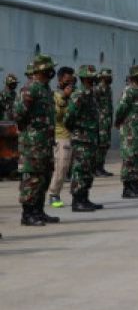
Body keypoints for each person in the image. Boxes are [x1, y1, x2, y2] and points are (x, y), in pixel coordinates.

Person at [14, 55, 58, 226]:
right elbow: (18, 114)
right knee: (32, 178)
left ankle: (39, 211)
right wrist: (30, 131)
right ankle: (28, 214)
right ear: (41, 70)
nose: (51, 72)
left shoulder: (46, 89)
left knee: (44, 177)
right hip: (33, 143)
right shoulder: (29, 89)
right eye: (48, 69)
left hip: (46, 143)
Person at [65, 65, 103, 212]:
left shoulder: (91, 94)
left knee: (88, 169)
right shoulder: (78, 95)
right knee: (80, 170)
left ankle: (85, 198)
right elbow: (69, 118)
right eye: (92, 76)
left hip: (91, 138)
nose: (95, 79)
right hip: (81, 139)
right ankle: (77, 201)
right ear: (86, 78)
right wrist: (77, 131)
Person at [114, 65, 138, 198]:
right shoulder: (129, 91)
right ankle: (127, 188)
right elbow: (120, 110)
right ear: (134, 77)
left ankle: (135, 185)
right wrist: (118, 123)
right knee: (129, 158)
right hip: (130, 131)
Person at [47, 66, 76, 209]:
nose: (70, 83)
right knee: (61, 166)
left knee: (72, 169)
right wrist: (64, 97)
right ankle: (53, 194)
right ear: (60, 79)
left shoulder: (74, 94)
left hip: (74, 135)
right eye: (67, 80)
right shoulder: (55, 95)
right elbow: (56, 116)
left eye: (72, 80)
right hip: (61, 135)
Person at [94, 67, 115, 177]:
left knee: (105, 145)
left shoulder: (108, 89)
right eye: (107, 76)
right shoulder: (97, 89)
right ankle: (96, 168)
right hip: (100, 122)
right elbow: (94, 105)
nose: (110, 78)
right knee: (100, 145)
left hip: (106, 121)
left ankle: (101, 167)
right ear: (102, 77)